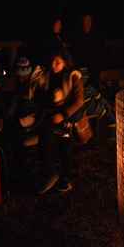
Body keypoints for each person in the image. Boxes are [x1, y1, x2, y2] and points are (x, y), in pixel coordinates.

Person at [32, 48, 84, 194]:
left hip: (68, 117)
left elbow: (79, 101)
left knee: (64, 141)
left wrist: (63, 113)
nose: (54, 65)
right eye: (52, 62)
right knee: (46, 137)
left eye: (58, 62)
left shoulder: (73, 76)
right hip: (51, 116)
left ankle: (65, 179)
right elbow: (38, 96)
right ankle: (50, 173)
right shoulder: (47, 76)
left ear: (65, 62)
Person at [71, 14, 106, 88]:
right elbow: (76, 53)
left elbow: (100, 52)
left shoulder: (96, 35)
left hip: (94, 68)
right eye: (86, 20)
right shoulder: (78, 36)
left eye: (89, 20)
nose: (88, 22)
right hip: (82, 68)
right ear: (83, 22)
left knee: (94, 86)